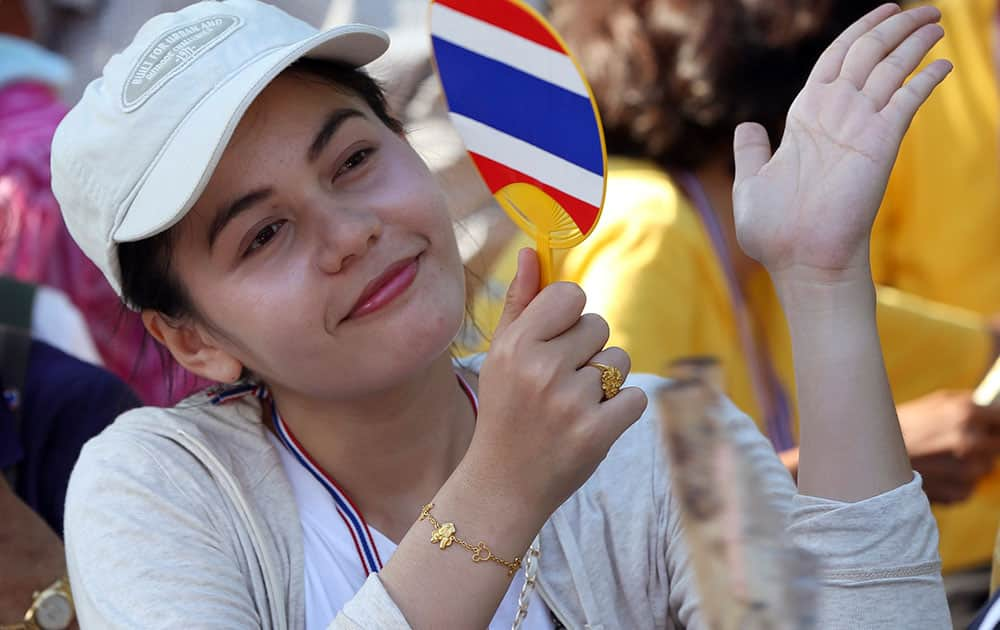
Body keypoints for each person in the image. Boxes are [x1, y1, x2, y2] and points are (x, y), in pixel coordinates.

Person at [53, 1, 952, 627]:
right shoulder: (152, 488)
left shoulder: (667, 436)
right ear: (191, 338)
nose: (349, 234)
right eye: (263, 234)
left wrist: (823, 282)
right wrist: (504, 487)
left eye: (355, 160)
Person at [465, 0, 1000, 580]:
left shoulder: (746, 258)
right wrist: (860, 464)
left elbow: (956, 345)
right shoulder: (650, 227)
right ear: (787, 106)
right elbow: (614, 504)